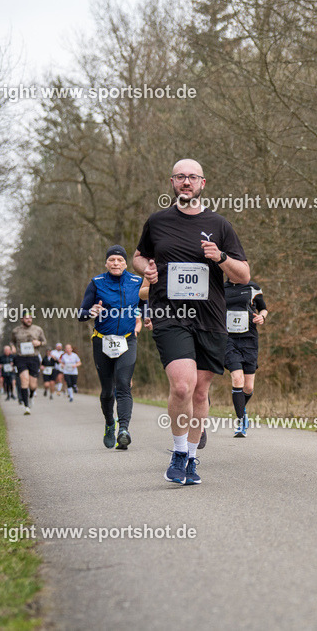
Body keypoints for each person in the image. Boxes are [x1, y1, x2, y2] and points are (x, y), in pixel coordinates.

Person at [133, 158, 249, 485]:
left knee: (200, 394)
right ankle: (179, 451)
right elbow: (139, 255)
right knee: (182, 384)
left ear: (203, 183)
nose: (187, 182)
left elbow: (244, 274)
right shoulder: (157, 222)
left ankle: (194, 459)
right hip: (170, 314)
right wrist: (146, 268)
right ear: (172, 182)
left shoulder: (220, 225)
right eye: (181, 177)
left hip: (210, 318)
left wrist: (221, 257)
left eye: (192, 177)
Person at [78, 245, 143, 450]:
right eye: (112, 260)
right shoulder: (96, 283)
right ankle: (109, 423)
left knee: (123, 384)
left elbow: (145, 305)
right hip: (102, 341)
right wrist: (92, 311)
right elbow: (81, 314)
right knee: (107, 391)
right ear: (106, 263)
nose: (116, 263)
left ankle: (123, 429)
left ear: (126, 263)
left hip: (127, 340)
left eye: (120, 260)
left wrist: (146, 318)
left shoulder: (136, 282)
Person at [224, 279, 267, 437]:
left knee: (248, 388)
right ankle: (241, 421)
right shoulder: (221, 287)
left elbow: (263, 308)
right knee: (237, 379)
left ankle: (241, 410)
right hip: (228, 339)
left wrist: (262, 317)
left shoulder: (252, 287)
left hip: (249, 339)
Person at [10, 312, 47, 414]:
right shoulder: (16, 331)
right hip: (21, 358)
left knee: (33, 385)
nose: (29, 320)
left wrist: (39, 343)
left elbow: (44, 342)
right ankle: (26, 406)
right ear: (22, 319)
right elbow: (12, 341)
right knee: (24, 380)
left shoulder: (38, 329)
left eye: (30, 318)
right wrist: (12, 347)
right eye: (26, 318)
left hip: (33, 357)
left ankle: (31, 396)